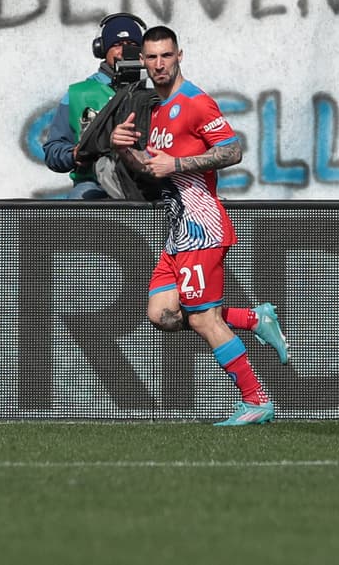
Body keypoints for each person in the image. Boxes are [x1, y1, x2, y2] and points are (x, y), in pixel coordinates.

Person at [109, 25, 292, 426]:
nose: (159, 64)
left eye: (166, 56)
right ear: (143, 61)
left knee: (201, 318)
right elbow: (150, 169)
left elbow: (232, 150)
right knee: (162, 314)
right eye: (152, 57)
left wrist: (176, 164)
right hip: (178, 231)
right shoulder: (157, 111)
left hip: (201, 227)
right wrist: (124, 150)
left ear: (179, 56)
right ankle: (253, 319)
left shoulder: (194, 102)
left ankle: (256, 399)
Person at [44, 13, 147, 199]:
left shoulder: (155, 95)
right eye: (117, 45)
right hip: (94, 186)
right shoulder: (77, 94)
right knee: (80, 198)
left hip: (144, 185)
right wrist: (74, 154)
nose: (124, 51)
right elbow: (52, 151)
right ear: (101, 49)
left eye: (132, 45)